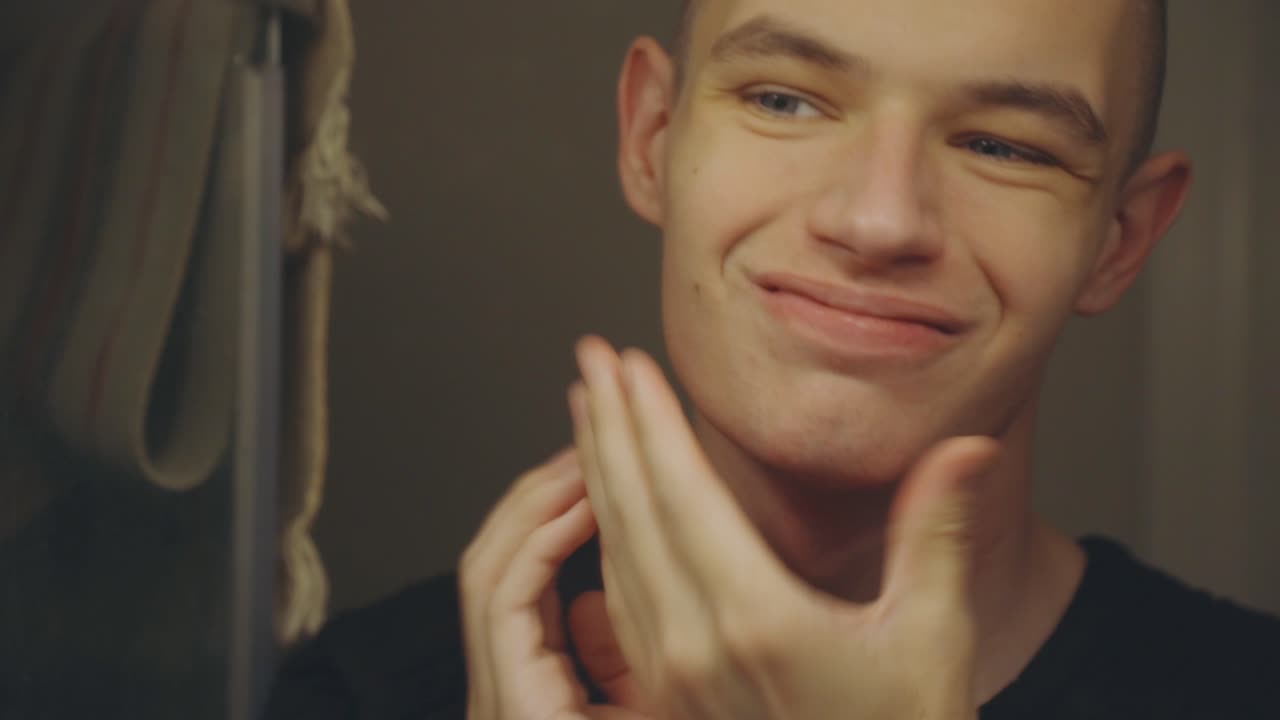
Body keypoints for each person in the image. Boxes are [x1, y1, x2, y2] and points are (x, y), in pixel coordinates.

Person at [267, 1, 1280, 718]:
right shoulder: (363, 695)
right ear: (651, 137)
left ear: (1119, 240)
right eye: (785, 100)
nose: (876, 219)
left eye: (1003, 148)